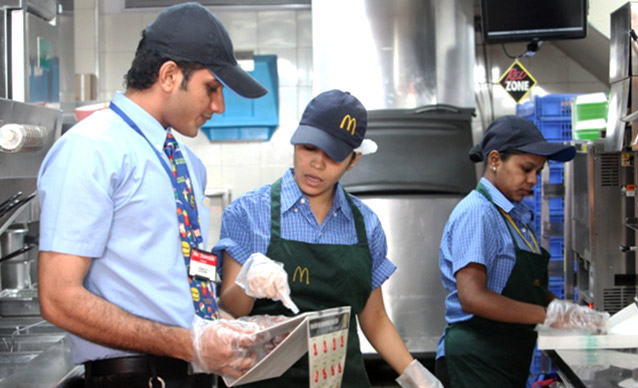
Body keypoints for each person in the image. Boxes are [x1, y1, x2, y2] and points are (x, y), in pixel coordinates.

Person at [37, 3, 271, 387]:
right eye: (211, 88)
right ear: (168, 75)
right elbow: (58, 297)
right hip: (134, 379)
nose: (219, 106)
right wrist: (189, 343)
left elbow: (177, 287)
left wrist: (233, 329)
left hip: (193, 376)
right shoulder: (91, 149)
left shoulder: (186, 166)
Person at [214, 89, 442, 388]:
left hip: (342, 380)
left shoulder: (365, 225)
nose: (317, 164)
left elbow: (373, 318)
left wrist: (415, 374)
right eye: (309, 147)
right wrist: (248, 280)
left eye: (333, 156)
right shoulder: (248, 212)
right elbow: (231, 309)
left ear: (353, 160)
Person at [434, 116, 610, 388]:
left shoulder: (515, 217)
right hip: (474, 360)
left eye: (538, 172)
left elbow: (529, 290)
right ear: (494, 161)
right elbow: (472, 297)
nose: (533, 180)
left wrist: (571, 313)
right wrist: (549, 316)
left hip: (505, 358)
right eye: (526, 169)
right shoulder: (479, 213)